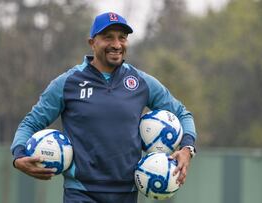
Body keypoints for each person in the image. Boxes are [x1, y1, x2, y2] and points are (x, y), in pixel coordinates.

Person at [10, 12, 197, 203]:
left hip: (126, 194)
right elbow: (31, 123)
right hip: (81, 193)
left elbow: (182, 113)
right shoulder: (67, 83)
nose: (116, 44)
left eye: (122, 38)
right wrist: (18, 156)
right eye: (108, 37)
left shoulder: (141, 82)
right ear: (92, 42)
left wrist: (187, 149)